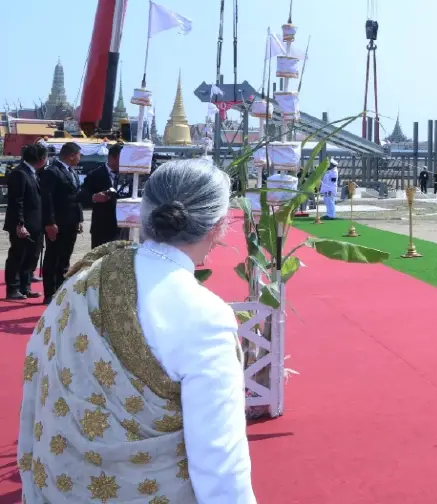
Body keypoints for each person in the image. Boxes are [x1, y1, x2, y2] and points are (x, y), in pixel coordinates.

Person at [17, 159, 258, 502]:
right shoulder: (205, 316)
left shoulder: (86, 277)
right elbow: (219, 460)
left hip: (62, 489)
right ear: (218, 226)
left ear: (144, 213)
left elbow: (40, 369)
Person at [39, 141, 85, 303]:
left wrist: (79, 218)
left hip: (71, 222)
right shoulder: (52, 172)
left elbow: (76, 197)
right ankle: (49, 293)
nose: (79, 158)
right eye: (78, 155)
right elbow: (47, 199)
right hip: (57, 223)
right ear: (71, 155)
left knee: (65, 257)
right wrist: (49, 222)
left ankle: (61, 289)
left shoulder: (72, 172)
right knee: (53, 257)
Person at [4, 142, 48, 300]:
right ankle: (13, 288)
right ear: (41, 158)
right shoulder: (20, 173)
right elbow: (17, 201)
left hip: (35, 223)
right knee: (18, 255)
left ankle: (25, 286)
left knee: (32, 255)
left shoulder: (34, 173)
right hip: (23, 224)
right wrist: (20, 223)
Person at [80, 143, 123, 249]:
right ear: (112, 158)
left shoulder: (129, 176)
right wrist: (94, 197)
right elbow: (82, 197)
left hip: (122, 229)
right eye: (123, 158)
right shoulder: (94, 175)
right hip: (101, 229)